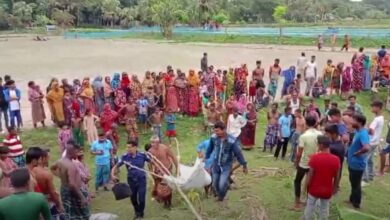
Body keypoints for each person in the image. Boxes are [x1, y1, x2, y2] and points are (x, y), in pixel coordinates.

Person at [206, 121, 247, 201]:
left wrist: (244, 165)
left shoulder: (231, 140)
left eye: (217, 131)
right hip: (216, 165)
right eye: (215, 130)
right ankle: (221, 192)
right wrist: (206, 159)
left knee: (222, 184)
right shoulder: (213, 138)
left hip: (226, 165)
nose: (216, 132)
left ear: (224, 130)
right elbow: (209, 149)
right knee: (215, 183)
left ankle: (221, 196)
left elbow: (238, 153)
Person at [303, 136, 341, 220]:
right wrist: (335, 188)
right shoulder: (336, 159)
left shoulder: (315, 158)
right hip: (327, 190)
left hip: (314, 189)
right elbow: (337, 177)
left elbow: (310, 176)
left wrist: (305, 188)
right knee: (324, 210)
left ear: (321, 145)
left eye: (318, 144)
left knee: (309, 208)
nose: (317, 146)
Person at [111, 140, 151, 219]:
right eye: (127, 147)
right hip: (131, 180)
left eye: (130, 147)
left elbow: (152, 162)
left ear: (135, 147)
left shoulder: (142, 155)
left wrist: (154, 169)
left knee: (142, 199)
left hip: (141, 180)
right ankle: (137, 212)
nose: (128, 149)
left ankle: (141, 213)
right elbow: (116, 166)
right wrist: (112, 175)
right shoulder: (125, 157)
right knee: (133, 198)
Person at [51, 140, 90, 219]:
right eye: (77, 152)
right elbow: (72, 184)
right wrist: (82, 197)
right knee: (82, 214)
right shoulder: (71, 166)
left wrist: (61, 176)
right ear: (73, 151)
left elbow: (52, 168)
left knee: (69, 213)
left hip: (64, 189)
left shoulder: (60, 161)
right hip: (73, 192)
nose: (78, 154)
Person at [293, 116, 322, 210]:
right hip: (315, 163)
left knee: (297, 181)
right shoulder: (320, 134)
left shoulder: (304, 136)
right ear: (314, 123)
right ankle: (308, 202)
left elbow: (299, 153)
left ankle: (297, 202)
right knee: (311, 182)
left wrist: (296, 163)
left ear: (306, 123)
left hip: (304, 162)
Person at [32, 149, 64, 219]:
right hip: (48, 202)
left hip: (36, 201)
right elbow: (52, 192)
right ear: (41, 158)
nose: (49, 159)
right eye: (47, 157)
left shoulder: (32, 170)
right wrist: (58, 204)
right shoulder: (46, 174)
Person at [148, 135, 178, 208]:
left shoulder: (164, 148)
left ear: (158, 142)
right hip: (158, 172)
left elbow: (173, 156)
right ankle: (164, 202)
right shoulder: (150, 151)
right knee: (160, 188)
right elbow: (150, 163)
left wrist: (177, 168)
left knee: (168, 187)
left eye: (153, 143)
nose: (152, 144)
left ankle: (169, 203)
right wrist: (152, 172)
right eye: (151, 143)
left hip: (167, 169)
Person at [347, 114, 369, 209]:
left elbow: (366, 147)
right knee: (353, 182)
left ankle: (356, 203)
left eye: (354, 120)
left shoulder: (363, 133)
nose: (352, 122)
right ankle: (352, 199)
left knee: (356, 184)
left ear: (359, 122)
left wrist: (358, 153)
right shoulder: (358, 131)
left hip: (357, 164)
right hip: (352, 162)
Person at [362, 101, 384, 186]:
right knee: (370, 160)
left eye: (373, 107)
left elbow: (371, 131)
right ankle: (371, 175)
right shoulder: (381, 118)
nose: (372, 108)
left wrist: (364, 128)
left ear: (378, 108)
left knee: (363, 160)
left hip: (371, 142)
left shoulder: (376, 119)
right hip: (375, 141)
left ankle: (365, 179)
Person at [325, 124, 345, 191]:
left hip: (333, 170)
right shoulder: (337, 143)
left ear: (334, 134)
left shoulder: (334, 147)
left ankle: (335, 188)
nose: (326, 135)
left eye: (327, 134)